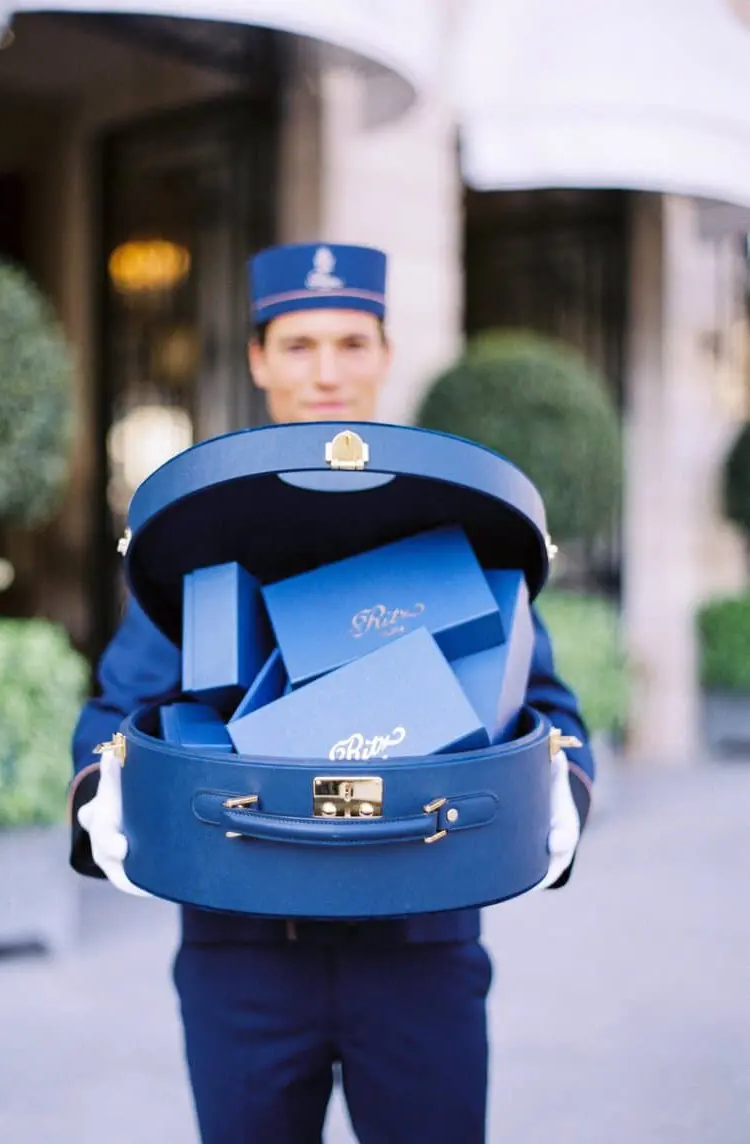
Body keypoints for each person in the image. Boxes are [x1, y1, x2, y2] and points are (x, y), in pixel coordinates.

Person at [69, 242, 595, 1144]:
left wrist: (566, 789)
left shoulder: (454, 518)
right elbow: (122, 704)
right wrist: (100, 786)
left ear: (385, 355)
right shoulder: (205, 523)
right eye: (299, 345)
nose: (326, 373)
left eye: (351, 344)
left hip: (423, 946)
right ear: (258, 359)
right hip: (242, 950)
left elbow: (543, 701)